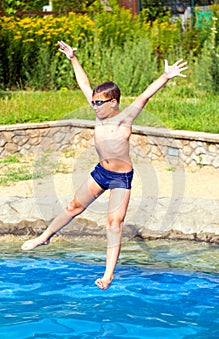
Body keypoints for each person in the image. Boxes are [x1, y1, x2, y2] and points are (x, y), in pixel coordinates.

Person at [21, 40, 188, 290]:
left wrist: (165, 76)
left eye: (99, 103)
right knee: (72, 206)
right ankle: (45, 238)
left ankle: (108, 275)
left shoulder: (124, 118)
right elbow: (84, 84)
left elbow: (145, 95)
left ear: (114, 102)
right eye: (94, 102)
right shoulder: (98, 114)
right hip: (101, 173)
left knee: (113, 224)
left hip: (121, 179)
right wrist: (73, 58)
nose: (94, 106)